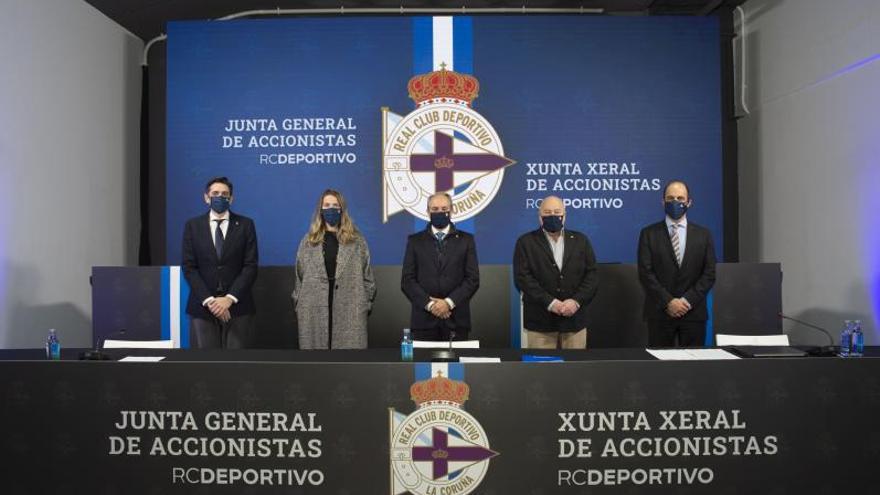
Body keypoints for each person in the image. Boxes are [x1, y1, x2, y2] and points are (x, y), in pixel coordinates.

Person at [292, 189, 376, 349]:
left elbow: (368, 278)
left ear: (342, 209)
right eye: (327, 205)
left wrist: (366, 304)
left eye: (335, 205)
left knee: (348, 367)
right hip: (313, 311)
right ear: (320, 210)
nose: (331, 209)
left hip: (351, 311)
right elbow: (299, 277)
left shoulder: (357, 240)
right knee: (316, 366)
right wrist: (299, 304)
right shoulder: (308, 241)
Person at [637, 180, 716, 347]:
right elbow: (646, 273)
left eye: (680, 198)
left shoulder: (704, 235)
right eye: (670, 198)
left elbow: (709, 274)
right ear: (662, 202)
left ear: (689, 202)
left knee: (693, 369)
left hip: (693, 313)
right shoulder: (648, 234)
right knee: (659, 369)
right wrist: (668, 302)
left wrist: (686, 302)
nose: (675, 202)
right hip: (660, 313)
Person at [182, 176, 258, 349]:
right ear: (206, 197)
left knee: (235, 365)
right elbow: (189, 267)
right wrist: (211, 301)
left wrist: (229, 299)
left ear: (231, 198)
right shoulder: (192, 226)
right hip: (203, 307)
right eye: (215, 193)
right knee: (209, 365)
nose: (220, 197)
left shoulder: (246, 225)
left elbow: (250, 266)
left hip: (238, 306)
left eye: (225, 194)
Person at [513, 195, 599, 349]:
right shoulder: (525, 242)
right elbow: (523, 278)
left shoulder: (581, 240)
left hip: (575, 323)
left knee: (575, 370)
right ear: (540, 218)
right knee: (541, 371)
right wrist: (551, 303)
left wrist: (576, 301)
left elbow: (592, 275)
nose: (552, 215)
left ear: (564, 216)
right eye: (547, 212)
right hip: (540, 323)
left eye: (557, 212)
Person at [401, 192, 479, 341]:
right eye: (434, 209)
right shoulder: (415, 241)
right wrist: (431, 305)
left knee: (456, 364)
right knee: (423, 364)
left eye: (444, 208)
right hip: (424, 322)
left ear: (452, 210)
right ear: (427, 211)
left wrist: (448, 303)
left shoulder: (466, 240)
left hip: (456, 321)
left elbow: (472, 279)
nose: (440, 212)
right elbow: (407, 280)